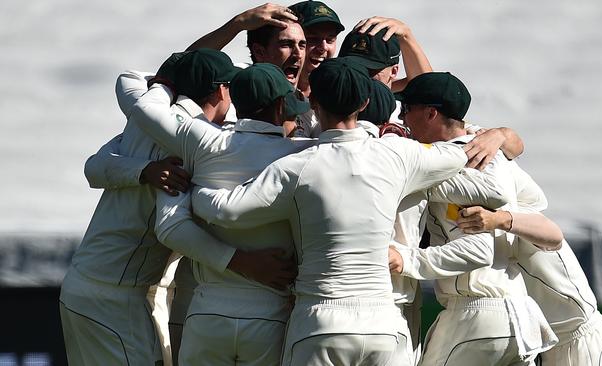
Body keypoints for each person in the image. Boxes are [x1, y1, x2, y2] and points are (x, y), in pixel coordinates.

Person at [187, 57, 510, 366]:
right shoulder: (398, 153)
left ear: (314, 106)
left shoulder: (296, 165)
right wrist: (499, 135)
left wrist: (194, 185)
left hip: (320, 324)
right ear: (365, 104)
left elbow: (227, 211)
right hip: (385, 327)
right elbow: (457, 153)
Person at [60, 49, 274, 365]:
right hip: (113, 294)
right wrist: (242, 262)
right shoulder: (192, 139)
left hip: (90, 285)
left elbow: (94, 166)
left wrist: (143, 170)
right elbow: (172, 228)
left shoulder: (143, 123)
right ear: (220, 90)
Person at [131, 61, 315, 365]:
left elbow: (143, 109)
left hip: (206, 314)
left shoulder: (201, 140)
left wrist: (167, 79)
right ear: (282, 106)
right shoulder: (304, 154)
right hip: (270, 315)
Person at [391, 71, 559, 365]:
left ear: (431, 113)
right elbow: (536, 201)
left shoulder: (454, 162)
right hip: (519, 316)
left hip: (476, 314)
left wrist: (405, 259)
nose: (403, 119)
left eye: (406, 109)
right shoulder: (495, 153)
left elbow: (477, 250)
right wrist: (503, 135)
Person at [455, 205, 602, 364]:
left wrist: (499, 219)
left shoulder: (514, 209)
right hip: (545, 344)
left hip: (580, 340)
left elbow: (554, 236)